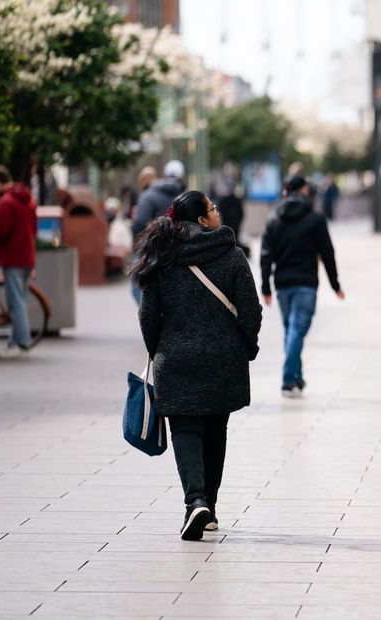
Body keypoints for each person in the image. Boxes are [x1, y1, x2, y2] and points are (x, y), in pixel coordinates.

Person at [131, 191, 262, 541]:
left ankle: (196, 501)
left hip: (176, 359)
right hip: (224, 358)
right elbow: (251, 311)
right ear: (203, 221)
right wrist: (247, 346)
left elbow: (147, 313)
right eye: (213, 208)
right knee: (216, 430)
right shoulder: (232, 255)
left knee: (186, 429)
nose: (218, 212)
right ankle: (210, 509)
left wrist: (158, 348)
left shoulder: (163, 256)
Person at [260, 175, 345, 398]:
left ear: (285, 192)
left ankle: (296, 376)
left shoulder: (273, 219)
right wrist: (335, 284)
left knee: (291, 330)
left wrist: (265, 285)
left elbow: (266, 255)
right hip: (306, 282)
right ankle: (289, 379)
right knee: (297, 330)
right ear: (305, 190)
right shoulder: (315, 219)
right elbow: (327, 253)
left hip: (282, 284)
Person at [0, 166, 38, 357]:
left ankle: (23, 341)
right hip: (27, 256)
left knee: (15, 302)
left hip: (12, 257)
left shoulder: (6, 203)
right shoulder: (27, 198)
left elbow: (1, 231)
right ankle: (14, 340)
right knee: (21, 300)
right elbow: (33, 227)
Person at [131, 161, 185, 305]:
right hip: (179, 248)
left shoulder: (148, 195)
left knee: (137, 285)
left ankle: (152, 316)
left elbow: (139, 223)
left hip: (150, 247)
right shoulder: (185, 195)